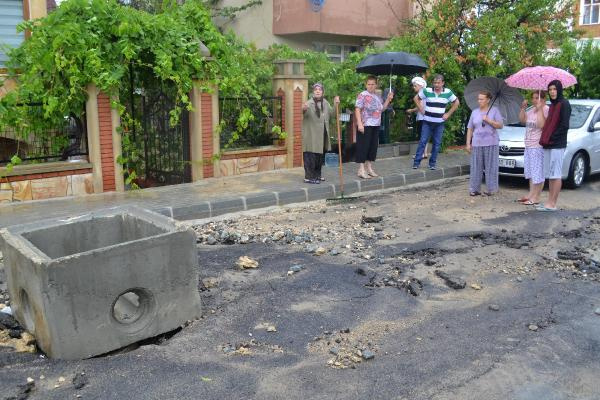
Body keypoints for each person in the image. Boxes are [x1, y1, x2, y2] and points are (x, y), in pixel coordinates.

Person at [536, 80, 571, 211]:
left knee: (556, 174)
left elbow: (564, 126)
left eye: (554, 89)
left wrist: (552, 137)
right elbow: (547, 125)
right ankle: (549, 202)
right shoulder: (552, 106)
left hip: (557, 144)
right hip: (548, 143)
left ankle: (552, 204)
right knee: (550, 174)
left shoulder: (564, 104)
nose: (552, 92)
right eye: (550, 89)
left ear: (559, 90)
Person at [413, 74, 459, 170]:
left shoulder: (448, 92)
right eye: (434, 83)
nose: (436, 85)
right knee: (422, 142)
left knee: (437, 144)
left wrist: (448, 114)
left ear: (443, 83)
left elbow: (456, 102)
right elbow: (416, 98)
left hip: (439, 123)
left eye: (438, 83)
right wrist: (421, 109)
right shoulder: (427, 91)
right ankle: (416, 163)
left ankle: (432, 164)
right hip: (427, 122)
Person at [354, 75, 394, 179]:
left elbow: (382, 109)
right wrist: (359, 123)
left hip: (376, 125)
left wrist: (388, 100)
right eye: (369, 84)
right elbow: (357, 109)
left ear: (376, 85)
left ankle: (369, 168)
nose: (371, 86)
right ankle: (361, 169)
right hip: (365, 124)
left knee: (372, 147)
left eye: (373, 84)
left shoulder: (377, 97)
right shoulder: (362, 95)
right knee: (363, 147)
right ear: (366, 85)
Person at [465, 91, 504, 196]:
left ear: (488, 100)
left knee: (491, 166)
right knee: (476, 166)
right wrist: (468, 143)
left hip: (491, 142)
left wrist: (489, 120)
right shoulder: (475, 112)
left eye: (482, 99)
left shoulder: (494, 110)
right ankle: (474, 189)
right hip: (477, 142)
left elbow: (500, 125)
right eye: (479, 99)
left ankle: (491, 189)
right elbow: (470, 128)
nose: (479, 101)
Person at [302, 83, 340, 184]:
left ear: (323, 92)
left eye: (320, 89)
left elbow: (333, 114)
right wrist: (303, 109)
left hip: (321, 135)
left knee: (319, 157)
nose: (318, 91)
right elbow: (303, 111)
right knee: (310, 156)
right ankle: (309, 177)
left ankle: (317, 175)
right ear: (313, 92)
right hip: (311, 136)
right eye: (316, 90)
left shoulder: (325, 103)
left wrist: (336, 104)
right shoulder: (309, 103)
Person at [517, 91, 548, 205]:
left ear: (543, 99)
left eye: (537, 98)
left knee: (538, 173)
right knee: (531, 172)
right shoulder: (531, 110)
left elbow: (541, 125)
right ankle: (531, 194)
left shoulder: (545, 109)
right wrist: (523, 108)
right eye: (533, 98)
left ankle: (537, 197)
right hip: (528, 145)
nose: (534, 100)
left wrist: (540, 109)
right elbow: (522, 120)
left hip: (538, 145)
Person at [406, 76, 428, 159]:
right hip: (426, 117)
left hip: (422, 117)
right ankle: (425, 153)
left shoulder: (421, 94)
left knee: (421, 136)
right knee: (425, 136)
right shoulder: (425, 93)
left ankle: (421, 154)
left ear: (421, 86)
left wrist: (411, 110)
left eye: (415, 86)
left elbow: (420, 106)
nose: (414, 87)